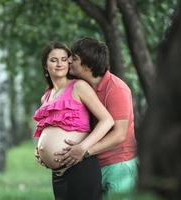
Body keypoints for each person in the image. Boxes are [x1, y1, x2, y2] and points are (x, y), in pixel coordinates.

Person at [54, 37, 137, 199]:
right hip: (93, 164)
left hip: (118, 165)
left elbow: (119, 134)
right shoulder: (80, 87)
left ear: (88, 65)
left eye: (75, 58)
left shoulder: (116, 89)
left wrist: (85, 150)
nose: (69, 60)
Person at [33, 41, 114, 200]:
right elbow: (52, 128)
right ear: (45, 65)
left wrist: (83, 148)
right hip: (58, 173)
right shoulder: (46, 96)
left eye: (64, 59)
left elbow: (107, 120)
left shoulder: (79, 87)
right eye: (53, 60)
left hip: (79, 167)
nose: (59, 64)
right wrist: (41, 150)